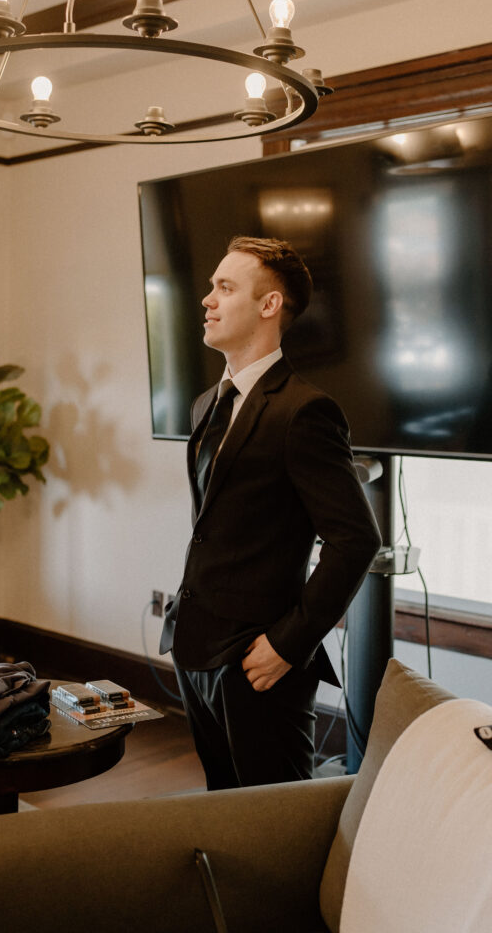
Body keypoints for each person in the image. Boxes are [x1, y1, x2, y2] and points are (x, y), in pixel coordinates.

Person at [160, 235, 381, 790]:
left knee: (275, 825)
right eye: (211, 286)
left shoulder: (306, 411)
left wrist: (288, 644)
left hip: (260, 662)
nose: (207, 300)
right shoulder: (206, 403)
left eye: (224, 287)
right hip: (194, 648)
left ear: (269, 305)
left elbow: (355, 539)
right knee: (222, 807)